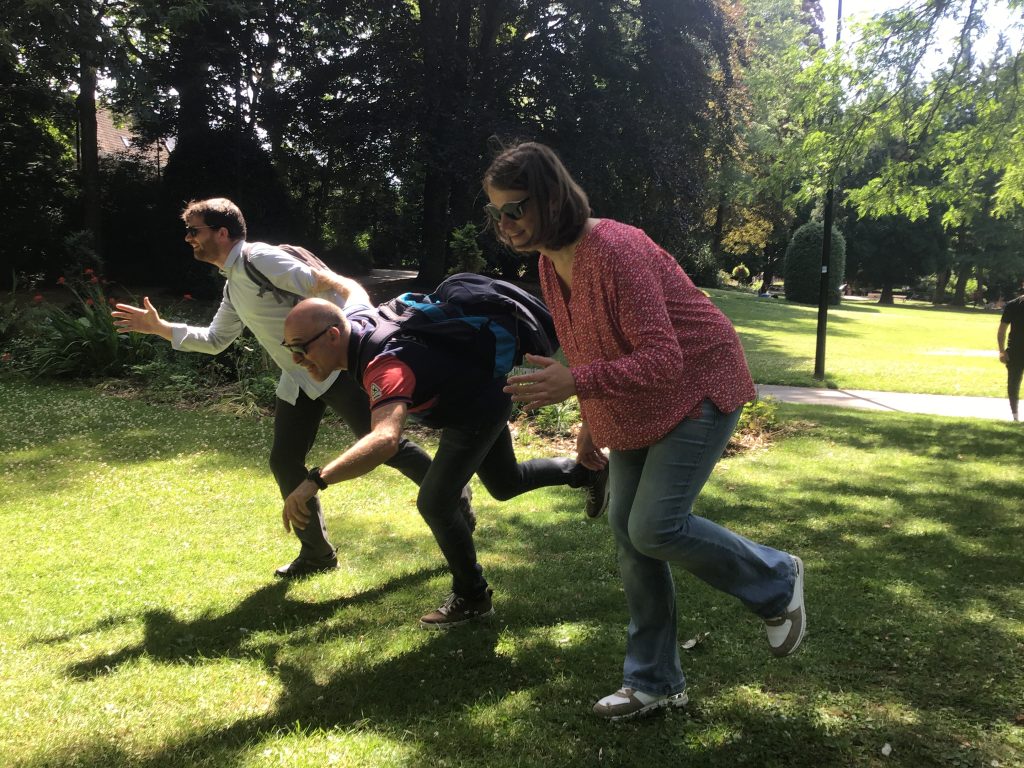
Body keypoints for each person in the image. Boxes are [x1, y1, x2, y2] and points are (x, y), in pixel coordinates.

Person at [484, 142, 807, 722]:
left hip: (699, 384)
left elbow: (664, 358)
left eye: (515, 210)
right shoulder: (549, 262)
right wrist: (590, 423)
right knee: (630, 536)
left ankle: (777, 579)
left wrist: (575, 383)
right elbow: (591, 345)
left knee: (655, 526)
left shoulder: (616, 251)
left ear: (551, 198)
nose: (505, 225)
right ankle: (654, 682)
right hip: (638, 403)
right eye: (497, 213)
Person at [112, 197, 471, 579]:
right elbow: (217, 339)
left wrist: (351, 336)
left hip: (336, 370)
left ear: (222, 232)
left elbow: (325, 289)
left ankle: (456, 500)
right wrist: (161, 328)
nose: (188, 238)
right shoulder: (234, 285)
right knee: (284, 461)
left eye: (194, 231)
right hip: (298, 379)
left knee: (387, 448)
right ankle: (317, 554)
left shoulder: (259, 259)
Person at [279, 296, 606, 628]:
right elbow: (348, 285)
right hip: (482, 392)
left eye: (301, 347)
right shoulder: (359, 319)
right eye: (289, 347)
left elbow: (385, 440)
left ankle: (472, 596)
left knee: (435, 501)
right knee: (506, 483)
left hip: (475, 410)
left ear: (333, 335)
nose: (295, 358)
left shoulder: (384, 365)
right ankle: (588, 472)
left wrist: (315, 480)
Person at [997, 280, 1024, 422]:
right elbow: (1002, 330)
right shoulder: (1013, 305)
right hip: (1015, 351)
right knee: (1013, 383)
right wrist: (1002, 351)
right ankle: (1015, 416)